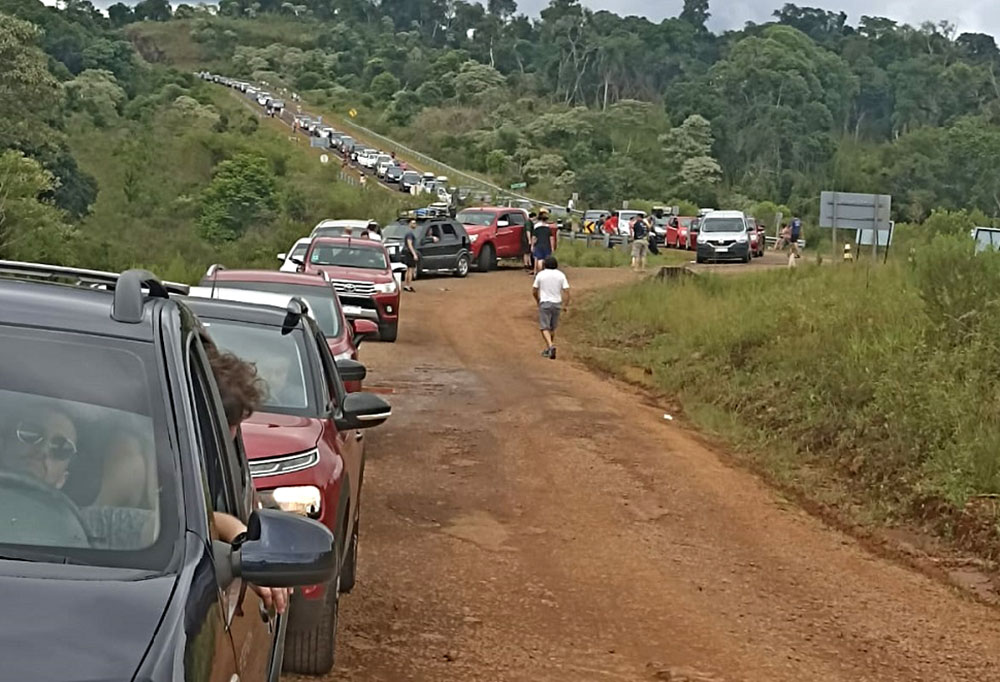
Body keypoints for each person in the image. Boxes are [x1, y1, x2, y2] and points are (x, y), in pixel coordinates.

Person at [532, 255, 570, 359]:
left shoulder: (541, 275)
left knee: (544, 327)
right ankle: (549, 349)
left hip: (545, 302)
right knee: (552, 328)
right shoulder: (561, 275)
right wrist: (565, 305)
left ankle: (550, 346)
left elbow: (534, 290)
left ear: (545, 265)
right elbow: (567, 291)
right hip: (557, 304)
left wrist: (537, 300)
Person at [532, 208, 555, 274]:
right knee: (546, 259)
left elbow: (534, 237)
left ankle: (537, 271)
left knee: (538, 259)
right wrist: (552, 247)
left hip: (538, 245)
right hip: (547, 245)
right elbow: (551, 238)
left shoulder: (536, 227)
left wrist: (532, 245)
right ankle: (544, 272)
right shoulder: (548, 228)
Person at [403, 219, 420, 292]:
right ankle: (408, 285)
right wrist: (414, 254)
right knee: (410, 269)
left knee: (408, 269)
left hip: (408, 252)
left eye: (415, 223)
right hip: (409, 253)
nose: (414, 225)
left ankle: (406, 285)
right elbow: (409, 244)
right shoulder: (410, 233)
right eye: (413, 223)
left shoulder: (409, 233)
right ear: (409, 224)